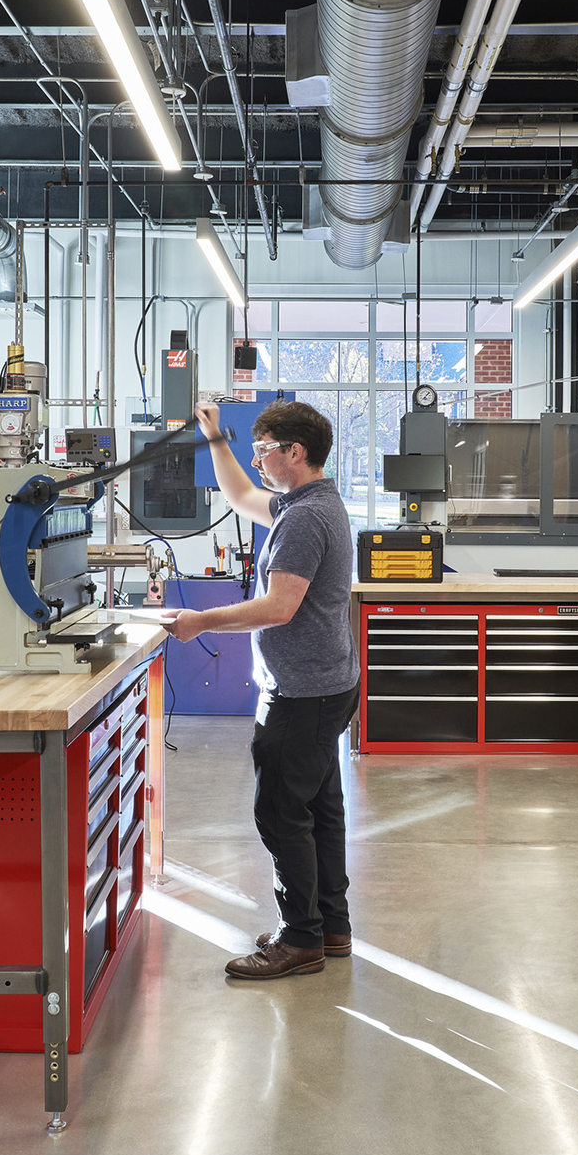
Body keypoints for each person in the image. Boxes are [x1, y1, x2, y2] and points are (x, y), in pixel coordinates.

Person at [162, 398, 359, 979]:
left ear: (295, 453)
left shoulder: (303, 519)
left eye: (264, 450)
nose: (258, 461)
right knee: (320, 811)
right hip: (324, 685)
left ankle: (301, 939)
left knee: (279, 813)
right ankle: (330, 925)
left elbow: (279, 607)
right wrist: (216, 437)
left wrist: (200, 620)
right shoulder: (313, 502)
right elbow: (241, 497)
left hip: (301, 693)